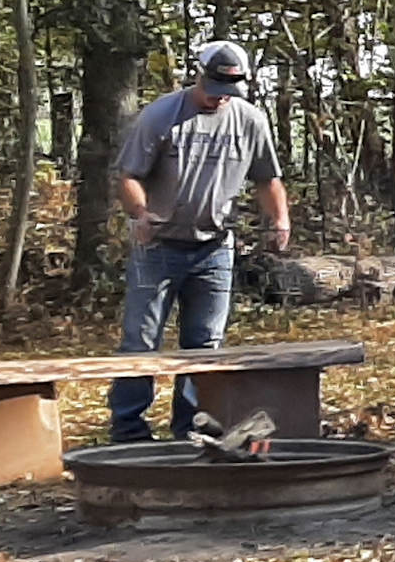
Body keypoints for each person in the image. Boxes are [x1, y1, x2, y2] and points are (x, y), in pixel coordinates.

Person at [111, 40, 293, 445]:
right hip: (158, 245)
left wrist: (280, 219)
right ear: (199, 75)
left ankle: (190, 428)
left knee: (205, 343)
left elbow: (267, 178)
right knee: (140, 340)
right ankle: (128, 431)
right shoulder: (162, 116)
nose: (219, 98)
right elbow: (128, 176)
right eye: (214, 88)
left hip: (214, 247)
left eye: (229, 90)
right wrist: (140, 215)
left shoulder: (249, 121)